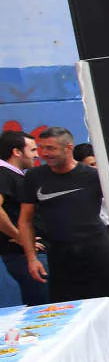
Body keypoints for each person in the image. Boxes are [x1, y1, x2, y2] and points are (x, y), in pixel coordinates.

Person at [18, 127, 109, 308]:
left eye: (50, 148)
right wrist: (32, 258)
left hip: (97, 251)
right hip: (60, 256)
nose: (44, 153)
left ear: (68, 148)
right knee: (67, 309)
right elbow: (25, 220)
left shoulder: (94, 176)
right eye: (41, 148)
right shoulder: (34, 177)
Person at [0, 129, 47, 305]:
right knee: (45, 309)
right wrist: (20, 237)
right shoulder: (3, 174)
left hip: (33, 253)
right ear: (17, 152)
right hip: (24, 256)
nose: (37, 156)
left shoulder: (16, 177)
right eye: (33, 150)